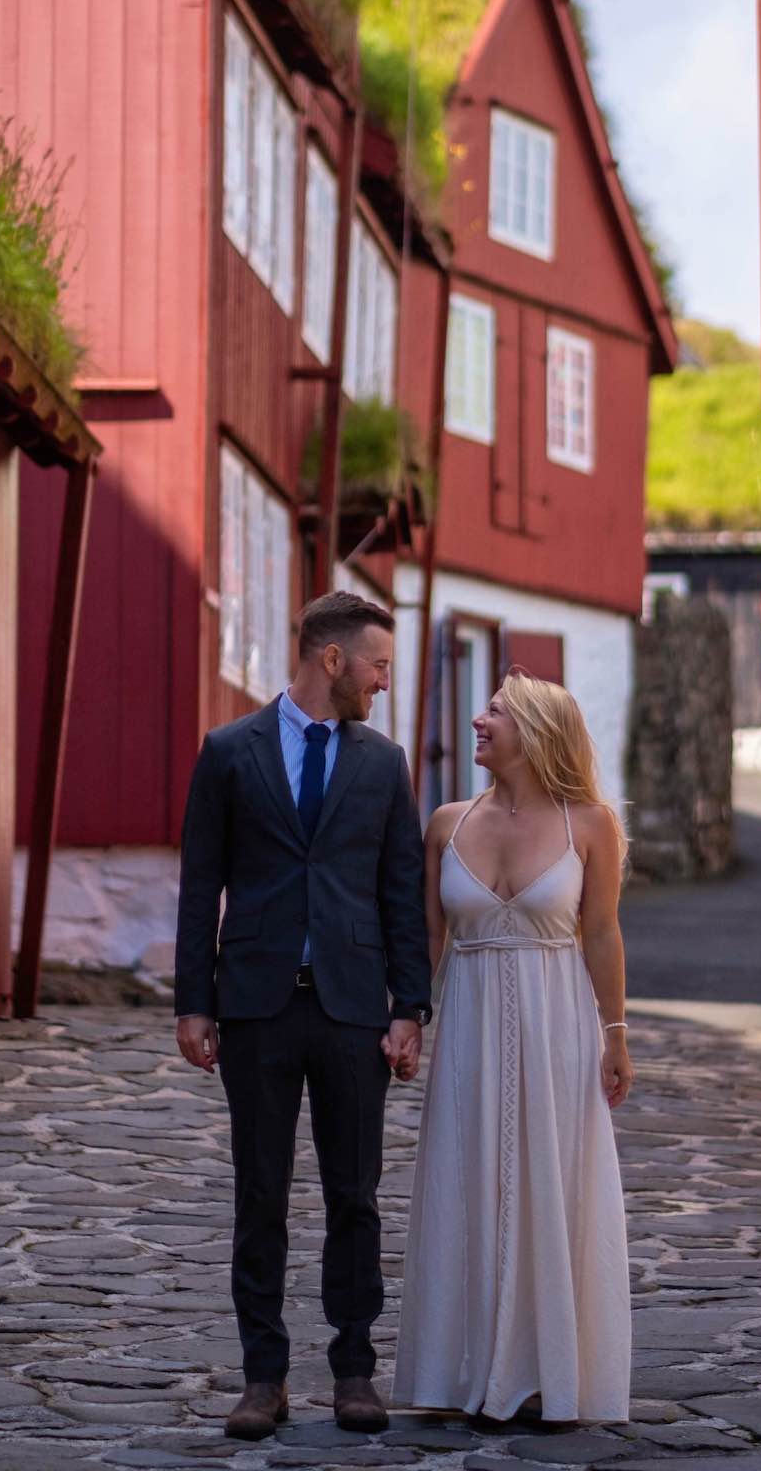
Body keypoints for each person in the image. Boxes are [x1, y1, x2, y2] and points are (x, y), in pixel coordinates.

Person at [173, 591, 432, 1442]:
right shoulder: (226, 753)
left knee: (354, 1195)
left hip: (356, 1011)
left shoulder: (384, 763)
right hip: (255, 1007)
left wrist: (410, 1008)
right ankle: (263, 1378)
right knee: (261, 1196)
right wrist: (193, 1001)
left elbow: (402, 893)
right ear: (334, 662)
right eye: (379, 664)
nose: (385, 682)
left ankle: (353, 1370)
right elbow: (198, 884)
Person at [392, 668, 633, 1424]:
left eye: (494, 711)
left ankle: (546, 1374)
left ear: (535, 729)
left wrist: (615, 1032)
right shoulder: (445, 823)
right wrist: (408, 1020)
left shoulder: (589, 824)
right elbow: (429, 935)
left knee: (551, 1184)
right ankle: (463, 1373)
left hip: (558, 1022)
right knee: (468, 1181)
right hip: (467, 1019)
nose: (477, 721)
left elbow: (600, 933)